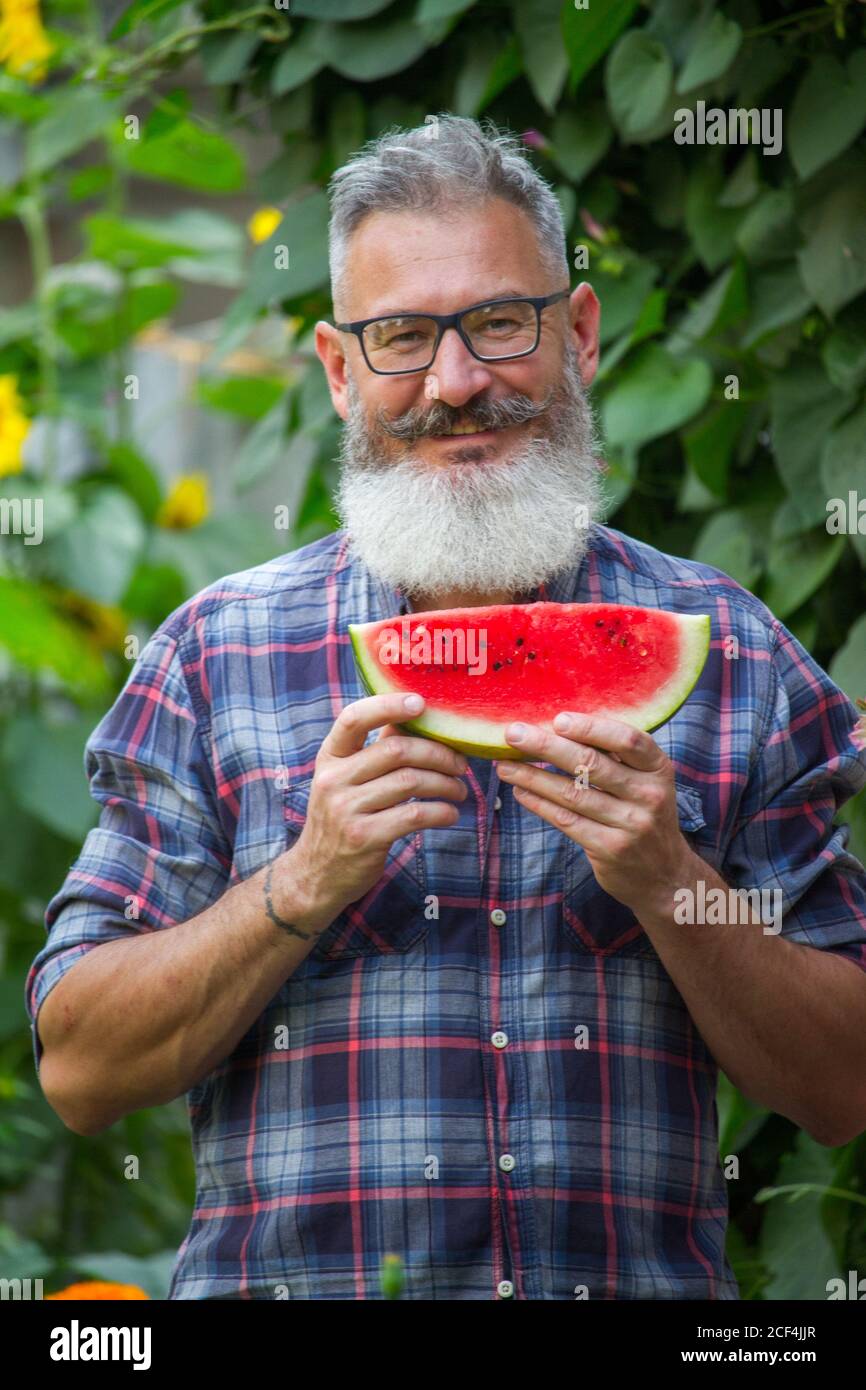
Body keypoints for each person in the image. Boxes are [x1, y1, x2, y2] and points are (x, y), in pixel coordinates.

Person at [26, 116, 866, 1301]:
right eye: (401, 337)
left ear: (575, 332)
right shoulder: (214, 653)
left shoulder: (724, 651)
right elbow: (79, 1069)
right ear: (336, 368)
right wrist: (297, 885)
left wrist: (667, 879)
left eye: (498, 323)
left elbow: (842, 1090)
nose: (455, 382)